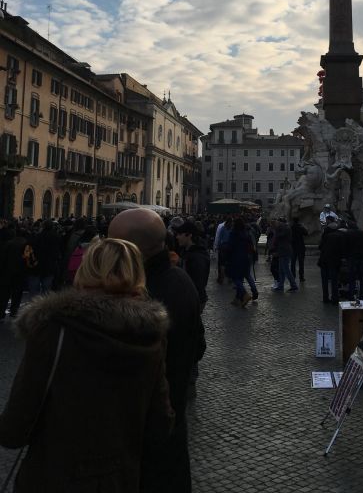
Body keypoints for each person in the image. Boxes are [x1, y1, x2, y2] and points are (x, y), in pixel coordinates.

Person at [0, 238, 174, 492]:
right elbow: (160, 425)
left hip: (54, 475)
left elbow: (14, 430)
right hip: (119, 479)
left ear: (84, 269)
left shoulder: (54, 330)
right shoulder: (150, 335)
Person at [108, 209, 205, 493]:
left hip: (143, 432)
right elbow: (199, 346)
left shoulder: (146, 293)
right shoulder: (179, 280)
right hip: (170, 425)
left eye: (111, 242)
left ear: (128, 249)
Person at [174, 221, 210, 311]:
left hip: (192, 300)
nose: (177, 237)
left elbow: (198, 284)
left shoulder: (197, 257)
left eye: (179, 234)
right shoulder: (185, 251)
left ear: (189, 235)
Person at [318, 216, 342, 303]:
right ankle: (335, 298)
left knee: (325, 281)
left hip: (324, 260)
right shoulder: (339, 235)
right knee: (334, 280)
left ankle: (325, 298)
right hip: (334, 261)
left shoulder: (326, 234)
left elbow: (320, 246)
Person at [272, 218, 298, 292]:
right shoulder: (284, 228)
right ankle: (280, 286)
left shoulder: (285, 228)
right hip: (283, 251)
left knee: (286, 270)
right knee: (281, 270)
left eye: (278, 222)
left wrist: (276, 229)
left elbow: (278, 237)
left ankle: (294, 286)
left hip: (285, 251)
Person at [290, 217, 308, 282]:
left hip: (293, 247)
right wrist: (304, 226)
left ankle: (293, 276)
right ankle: (301, 277)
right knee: (301, 263)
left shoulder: (291, 227)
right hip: (300, 247)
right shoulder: (300, 227)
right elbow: (306, 233)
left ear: (293, 221)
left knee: (293, 263)